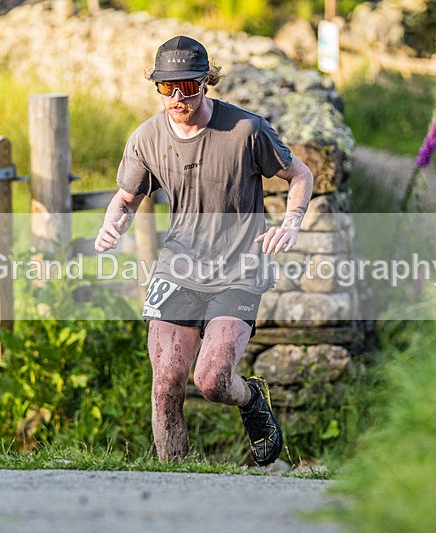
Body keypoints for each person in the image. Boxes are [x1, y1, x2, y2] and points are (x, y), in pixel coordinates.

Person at [94, 35, 314, 466]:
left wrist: (291, 223)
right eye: (166, 87)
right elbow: (126, 199)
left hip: (238, 270)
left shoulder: (246, 130)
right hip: (178, 269)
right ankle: (175, 481)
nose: (178, 97)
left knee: (212, 380)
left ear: (207, 82)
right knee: (165, 385)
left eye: (189, 86)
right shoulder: (145, 139)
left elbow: (300, 174)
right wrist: (111, 226)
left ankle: (251, 399)